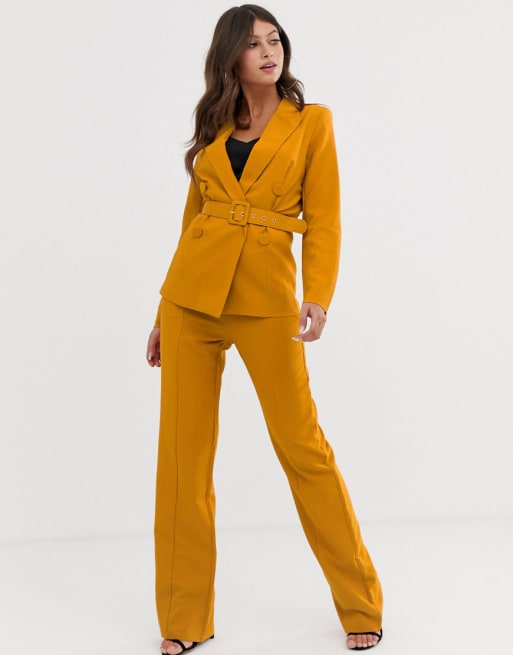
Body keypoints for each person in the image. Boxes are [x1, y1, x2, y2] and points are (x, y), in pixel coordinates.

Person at [146, 4, 383, 653]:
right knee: (182, 462)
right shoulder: (214, 124)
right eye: (253, 44)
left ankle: (360, 602)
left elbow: (326, 219)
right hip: (191, 300)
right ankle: (183, 622)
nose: (268, 51)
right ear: (230, 56)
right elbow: (191, 221)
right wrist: (162, 312)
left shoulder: (313, 122)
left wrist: (318, 296)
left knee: (302, 448)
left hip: (268, 300)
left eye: (274, 40)